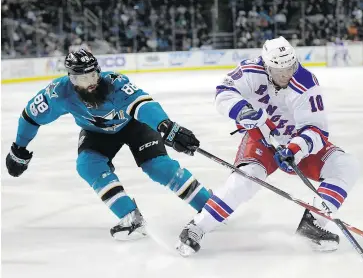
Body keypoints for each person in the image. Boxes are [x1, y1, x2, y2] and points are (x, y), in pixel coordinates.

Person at [176, 37, 359, 256]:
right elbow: (223, 91)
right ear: (266, 66)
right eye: (279, 70)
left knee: (345, 166)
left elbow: (316, 129)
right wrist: (241, 111)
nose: (286, 74)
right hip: (261, 138)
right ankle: (197, 226)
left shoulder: (306, 82)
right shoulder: (251, 71)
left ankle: (312, 226)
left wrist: (295, 149)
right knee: (245, 179)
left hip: (295, 142)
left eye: (291, 67)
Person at [5, 49, 212, 240]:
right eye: (82, 78)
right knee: (87, 165)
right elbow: (31, 116)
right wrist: (18, 148)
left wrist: (167, 126)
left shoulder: (115, 82)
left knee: (158, 167)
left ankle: (208, 205)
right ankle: (130, 216)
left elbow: (143, 104)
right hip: (96, 133)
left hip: (134, 125)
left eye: (93, 75)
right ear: (71, 78)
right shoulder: (58, 92)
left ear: (99, 71)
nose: (90, 83)